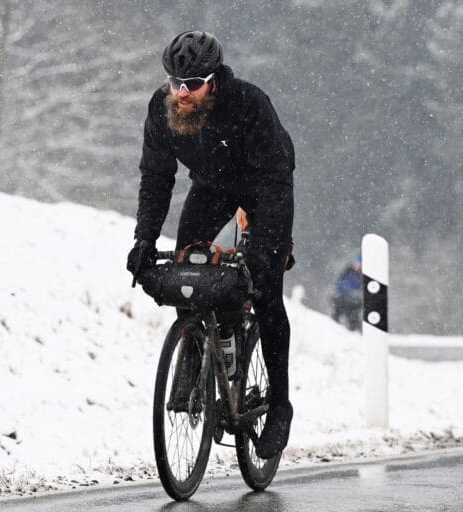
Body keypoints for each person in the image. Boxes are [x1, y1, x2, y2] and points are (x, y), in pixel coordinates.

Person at [126, 31, 295, 459]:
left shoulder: (248, 104)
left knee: (267, 290)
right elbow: (157, 177)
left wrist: (262, 246)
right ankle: (196, 355)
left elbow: (276, 181)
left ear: (213, 81)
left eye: (193, 84)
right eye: (175, 83)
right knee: (187, 270)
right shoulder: (161, 109)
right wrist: (145, 237)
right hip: (213, 187)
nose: (182, 93)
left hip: (264, 185)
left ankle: (279, 405)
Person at [332, 253, 362, 331]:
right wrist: (347, 291)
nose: (357, 265)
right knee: (336, 316)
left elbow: (361, 288)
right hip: (344, 299)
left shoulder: (362, 274)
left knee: (353, 319)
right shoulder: (348, 271)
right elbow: (341, 283)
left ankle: (355, 333)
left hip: (354, 302)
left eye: (359, 263)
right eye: (356, 262)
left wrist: (354, 293)